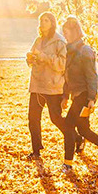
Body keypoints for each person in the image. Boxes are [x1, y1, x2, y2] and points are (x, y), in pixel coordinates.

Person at [61, 16, 98, 172]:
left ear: (76, 32)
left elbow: (92, 76)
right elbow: (67, 76)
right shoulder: (68, 50)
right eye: (64, 32)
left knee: (68, 125)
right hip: (75, 95)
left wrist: (91, 98)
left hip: (84, 95)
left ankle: (68, 163)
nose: (66, 35)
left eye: (68, 32)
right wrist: (65, 96)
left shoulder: (85, 50)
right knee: (83, 130)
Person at [26, 12, 68, 161]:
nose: (43, 23)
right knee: (33, 118)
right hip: (37, 85)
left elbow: (62, 65)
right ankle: (36, 150)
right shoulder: (38, 40)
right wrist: (30, 58)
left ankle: (75, 137)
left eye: (46, 20)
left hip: (52, 87)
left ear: (52, 23)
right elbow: (33, 59)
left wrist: (43, 57)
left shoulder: (59, 42)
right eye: (41, 20)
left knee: (55, 118)